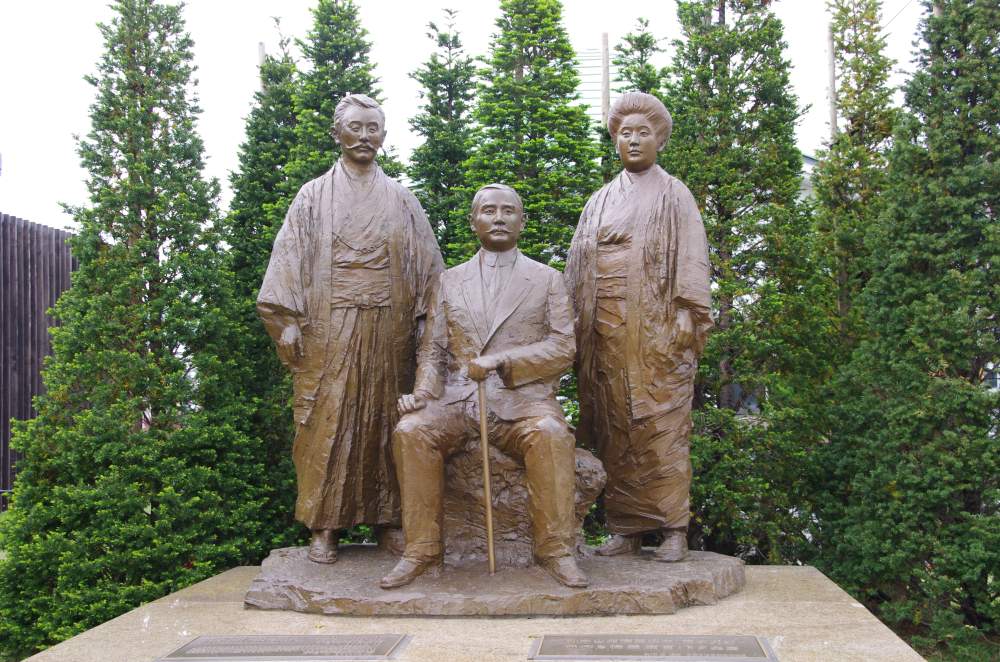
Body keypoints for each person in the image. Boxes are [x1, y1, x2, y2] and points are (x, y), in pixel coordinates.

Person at [257, 94, 444, 564]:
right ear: (337, 133)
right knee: (327, 421)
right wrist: (288, 320)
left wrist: (428, 322)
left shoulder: (401, 199)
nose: (364, 136)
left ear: (383, 136)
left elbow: (430, 272)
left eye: (372, 128)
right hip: (328, 328)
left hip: (389, 329)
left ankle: (389, 519)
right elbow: (289, 258)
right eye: (355, 127)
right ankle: (324, 525)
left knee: (388, 420)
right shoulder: (312, 196)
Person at [380, 184, 586, 589]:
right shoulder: (449, 281)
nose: (499, 218)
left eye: (508, 211)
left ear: (522, 221)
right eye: (489, 211)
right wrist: (422, 395)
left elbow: (563, 347)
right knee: (412, 430)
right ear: (473, 221)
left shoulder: (547, 280)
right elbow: (434, 350)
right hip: (458, 401)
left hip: (522, 403)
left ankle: (555, 551)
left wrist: (503, 361)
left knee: (549, 434)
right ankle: (422, 550)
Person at [565, 92, 712, 562]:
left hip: (656, 332)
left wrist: (688, 312)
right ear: (615, 140)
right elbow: (577, 266)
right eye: (625, 133)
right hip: (605, 334)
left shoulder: (675, 194)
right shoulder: (600, 200)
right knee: (615, 429)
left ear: (659, 141)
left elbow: (692, 256)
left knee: (661, 427)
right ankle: (625, 530)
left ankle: (673, 529)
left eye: (642, 133)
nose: (632, 140)